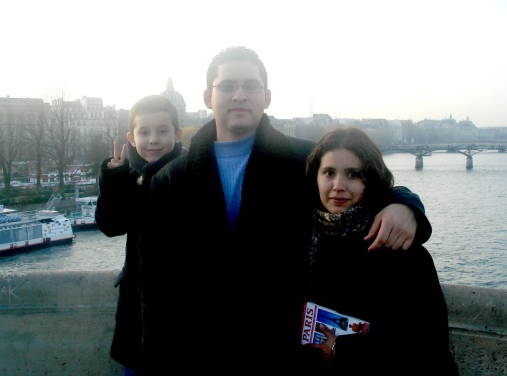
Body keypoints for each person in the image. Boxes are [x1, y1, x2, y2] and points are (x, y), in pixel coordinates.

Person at [139, 46, 432, 375]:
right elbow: (154, 285)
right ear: (208, 97)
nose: (239, 95)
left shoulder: (303, 161)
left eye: (250, 86)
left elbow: (366, 189)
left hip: (280, 353)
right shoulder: (169, 180)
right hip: (200, 352)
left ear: (267, 97)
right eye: (228, 86)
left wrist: (405, 206)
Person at [301, 127, 458, 375]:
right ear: (315, 177)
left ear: (371, 180)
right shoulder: (301, 235)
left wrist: (341, 352)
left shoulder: (401, 248)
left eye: (353, 174)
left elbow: (427, 344)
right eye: (329, 173)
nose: (338, 185)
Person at [95, 95, 185, 376]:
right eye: (144, 132)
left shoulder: (189, 176)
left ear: (177, 135)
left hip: (180, 306)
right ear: (131, 138)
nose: (153, 140)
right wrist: (113, 178)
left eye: (162, 131)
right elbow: (111, 226)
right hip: (136, 309)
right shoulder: (128, 176)